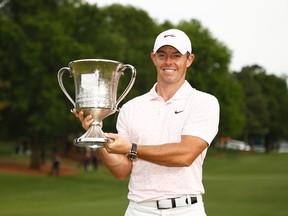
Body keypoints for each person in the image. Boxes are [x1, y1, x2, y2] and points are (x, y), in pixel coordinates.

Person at [74, 29, 220, 216]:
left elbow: (185, 154)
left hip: (185, 209)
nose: (168, 62)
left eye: (176, 55)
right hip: (139, 209)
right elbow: (122, 170)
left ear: (189, 59)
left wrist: (132, 148)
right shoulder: (131, 107)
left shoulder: (204, 102)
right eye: (162, 55)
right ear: (153, 58)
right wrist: (98, 136)